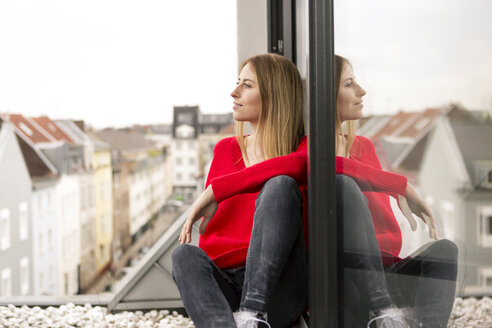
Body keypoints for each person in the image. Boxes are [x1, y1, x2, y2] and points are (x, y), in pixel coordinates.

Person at [172, 53, 308, 328]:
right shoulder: (226, 149)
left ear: (274, 94)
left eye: (247, 85)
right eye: (238, 83)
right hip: (227, 280)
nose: (234, 92)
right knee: (183, 255)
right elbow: (211, 236)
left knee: (280, 184)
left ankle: (252, 314)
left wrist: (218, 190)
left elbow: (298, 165)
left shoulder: (303, 150)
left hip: (278, 287)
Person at [333, 55, 458, 328]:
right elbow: (331, 168)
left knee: (445, 250)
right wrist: (399, 184)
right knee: (343, 184)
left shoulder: (363, 147)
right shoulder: (309, 149)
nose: (362, 91)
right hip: (349, 284)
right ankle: (383, 311)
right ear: (325, 93)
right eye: (349, 84)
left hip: (386, 271)